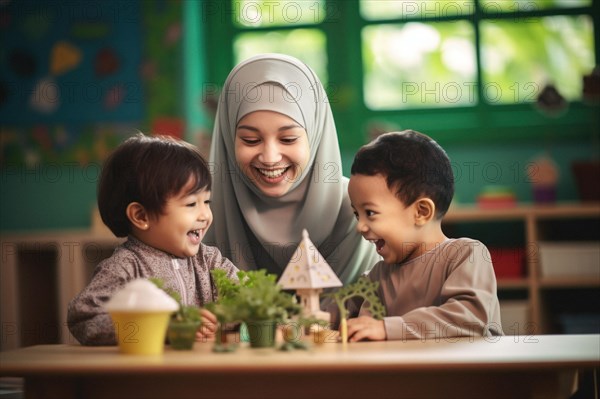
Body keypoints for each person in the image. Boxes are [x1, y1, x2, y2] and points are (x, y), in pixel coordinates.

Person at [205, 53, 380, 285]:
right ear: (228, 138)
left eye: (288, 139)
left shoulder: (357, 208)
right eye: (250, 140)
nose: (270, 158)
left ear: (315, 135)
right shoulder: (202, 211)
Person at [67, 133, 239, 346]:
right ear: (141, 216)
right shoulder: (126, 266)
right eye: (191, 204)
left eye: (207, 201)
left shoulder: (210, 260)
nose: (205, 215)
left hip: (202, 372)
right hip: (148, 375)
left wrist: (229, 317)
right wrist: (163, 326)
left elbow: (247, 298)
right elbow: (85, 318)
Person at [343, 130, 503, 341]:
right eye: (357, 214)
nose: (360, 227)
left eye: (370, 213)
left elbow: (469, 318)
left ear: (421, 212)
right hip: (414, 373)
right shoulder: (378, 275)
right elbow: (338, 309)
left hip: (468, 373)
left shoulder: (466, 254)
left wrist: (386, 328)